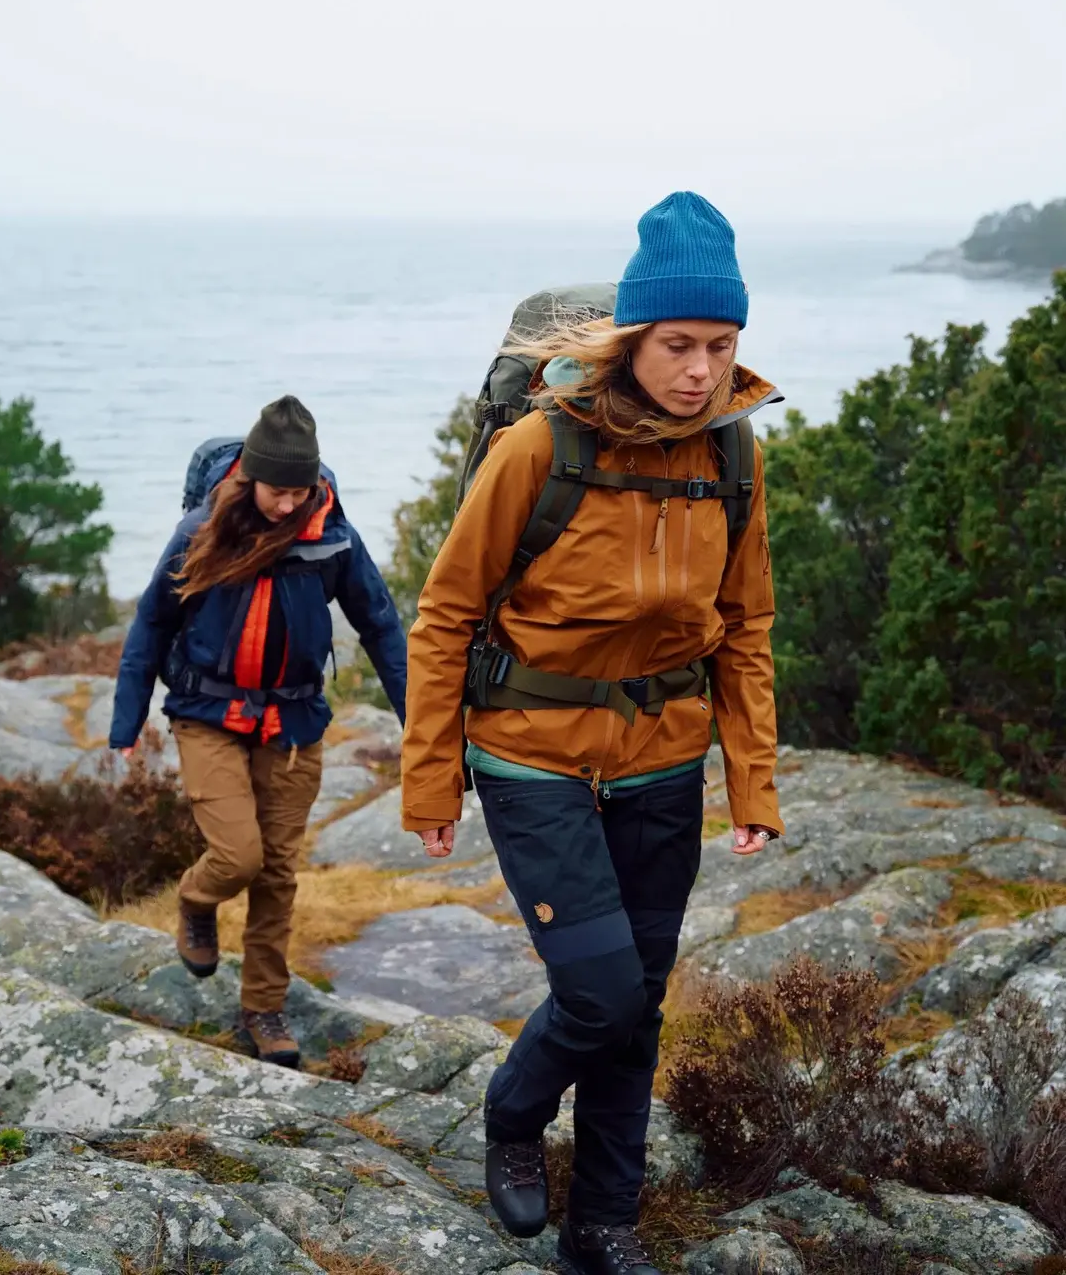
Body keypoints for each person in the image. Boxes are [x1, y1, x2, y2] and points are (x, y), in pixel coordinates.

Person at [400, 193, 783, 1275]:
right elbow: (445, 615)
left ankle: (604, 1225)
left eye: (720, 345)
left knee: (640, 1001)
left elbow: (745, 626)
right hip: (533, 757)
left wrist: (750, 778)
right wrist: (431, 781)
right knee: (601, 991)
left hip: (663, 759)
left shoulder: (733, 456)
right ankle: (514, 1112)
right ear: (633, 338)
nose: (701, 369)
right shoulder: (540, 445)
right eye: (678, 344)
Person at [110, 395, 407, 1069]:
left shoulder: (333, 535)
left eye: (301, 490)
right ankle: (195, 898)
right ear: (250, 477)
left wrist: (417, 718)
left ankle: (264, 1010)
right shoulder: (201, 529)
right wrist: (127, 720)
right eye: (278, 491)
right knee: (238, 857)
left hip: (294, 721)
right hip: (207, 714)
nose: (288, 505)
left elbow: (381, 625)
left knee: (276, 872)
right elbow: (151, 621)